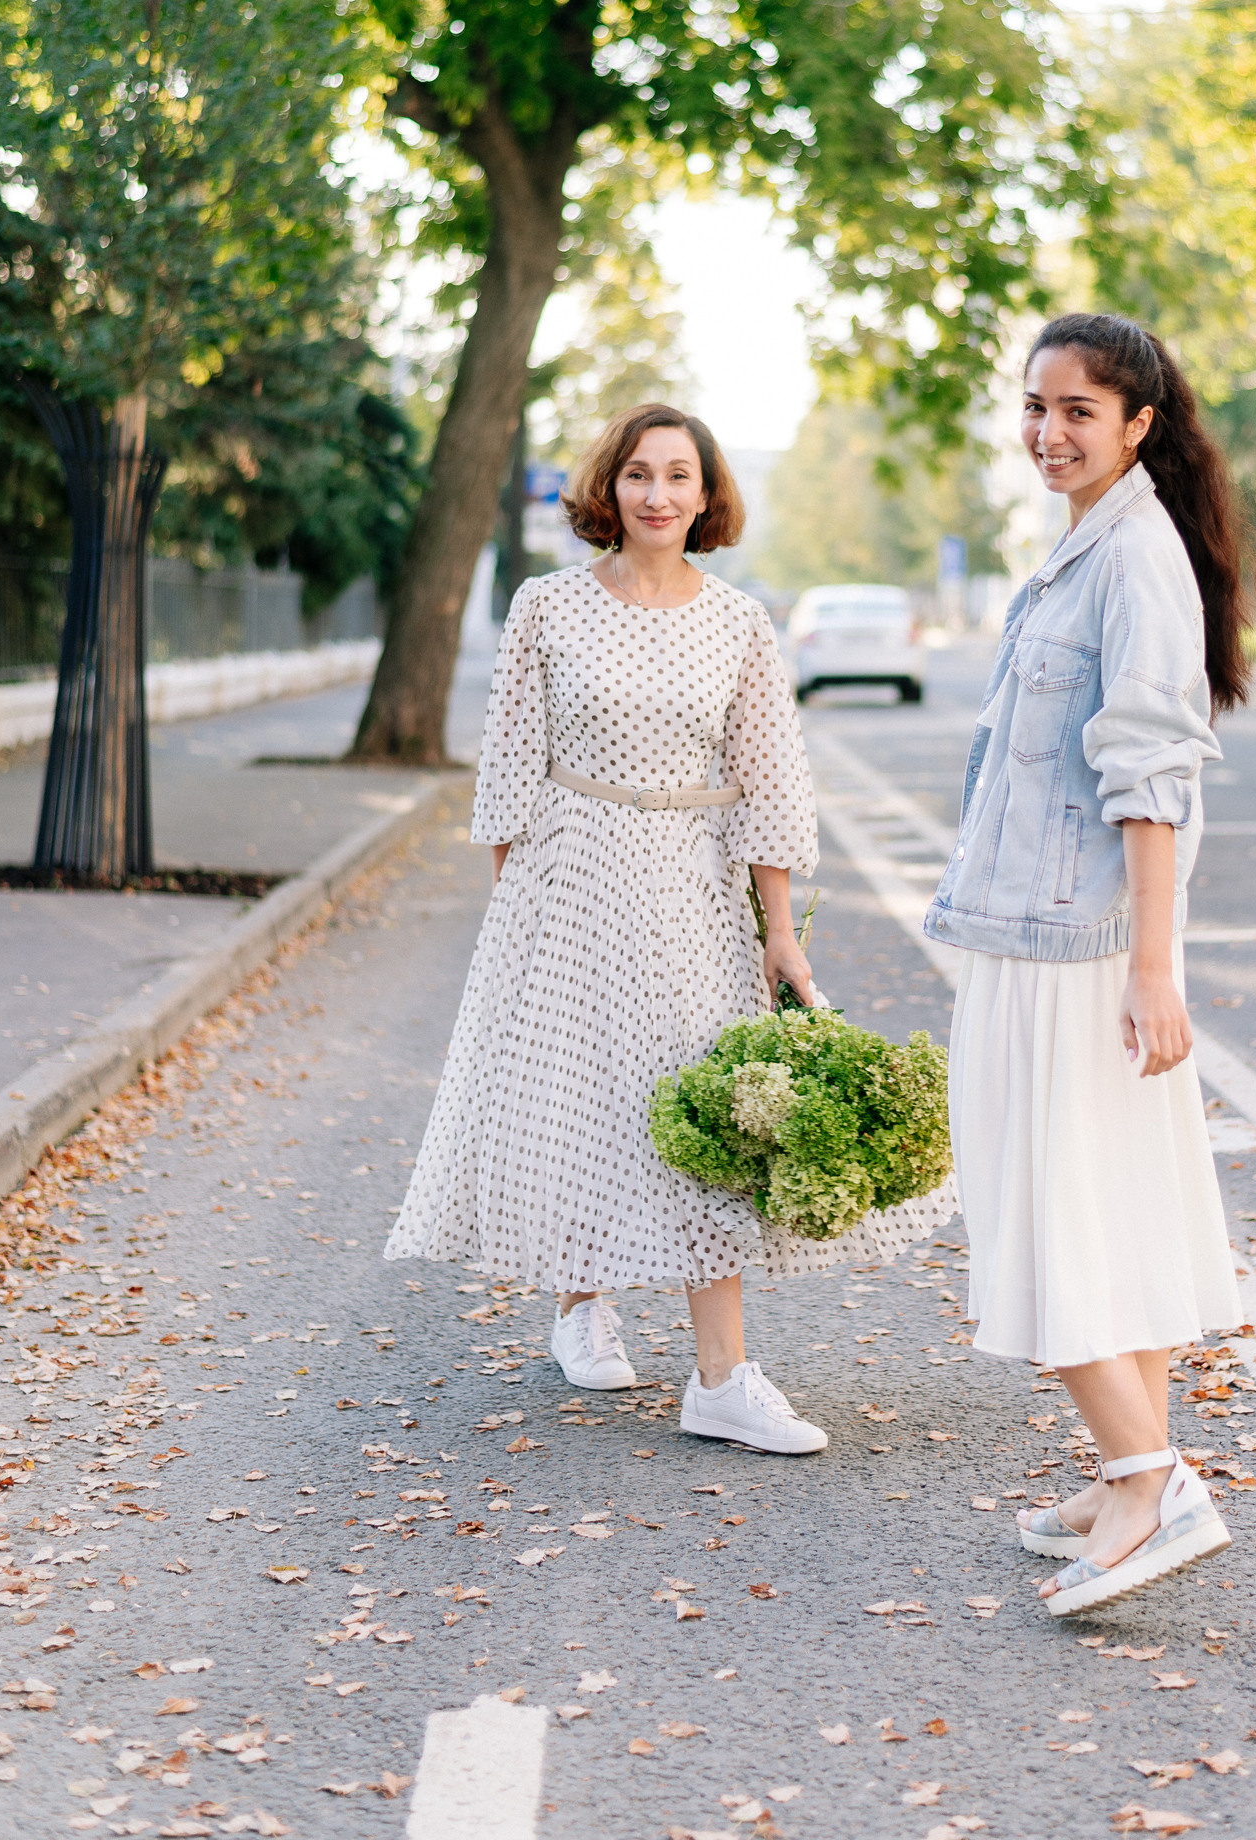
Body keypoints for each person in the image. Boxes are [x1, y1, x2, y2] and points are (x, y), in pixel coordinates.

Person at [386, 401, 955, 1455]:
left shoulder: (738, 622)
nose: (657, 494)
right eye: (639, 473)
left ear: (706, 495)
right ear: (609, 486)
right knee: (581, 1093)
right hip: (567, 874)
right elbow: (509, 768)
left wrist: (779, 931)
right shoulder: (546, 606)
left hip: (691, 880)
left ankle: (721, 1379)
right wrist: (516, 912)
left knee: (704, 1109)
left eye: (678, 476)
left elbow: (768, 782)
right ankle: (580, 1303)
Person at [923, 313, 1248, 1613]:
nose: (1048, 433)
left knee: (1039, 1212)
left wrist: (1153, 967)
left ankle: (1151, 1477)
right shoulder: (1087, 548)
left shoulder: (1132, 557)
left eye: (1078, 411)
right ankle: (1124, 1479)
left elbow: (1150, 774)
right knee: (1105, 1213)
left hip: (1075, 949)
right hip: (1046, 931)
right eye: (1035, 406)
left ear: (1137, 426)